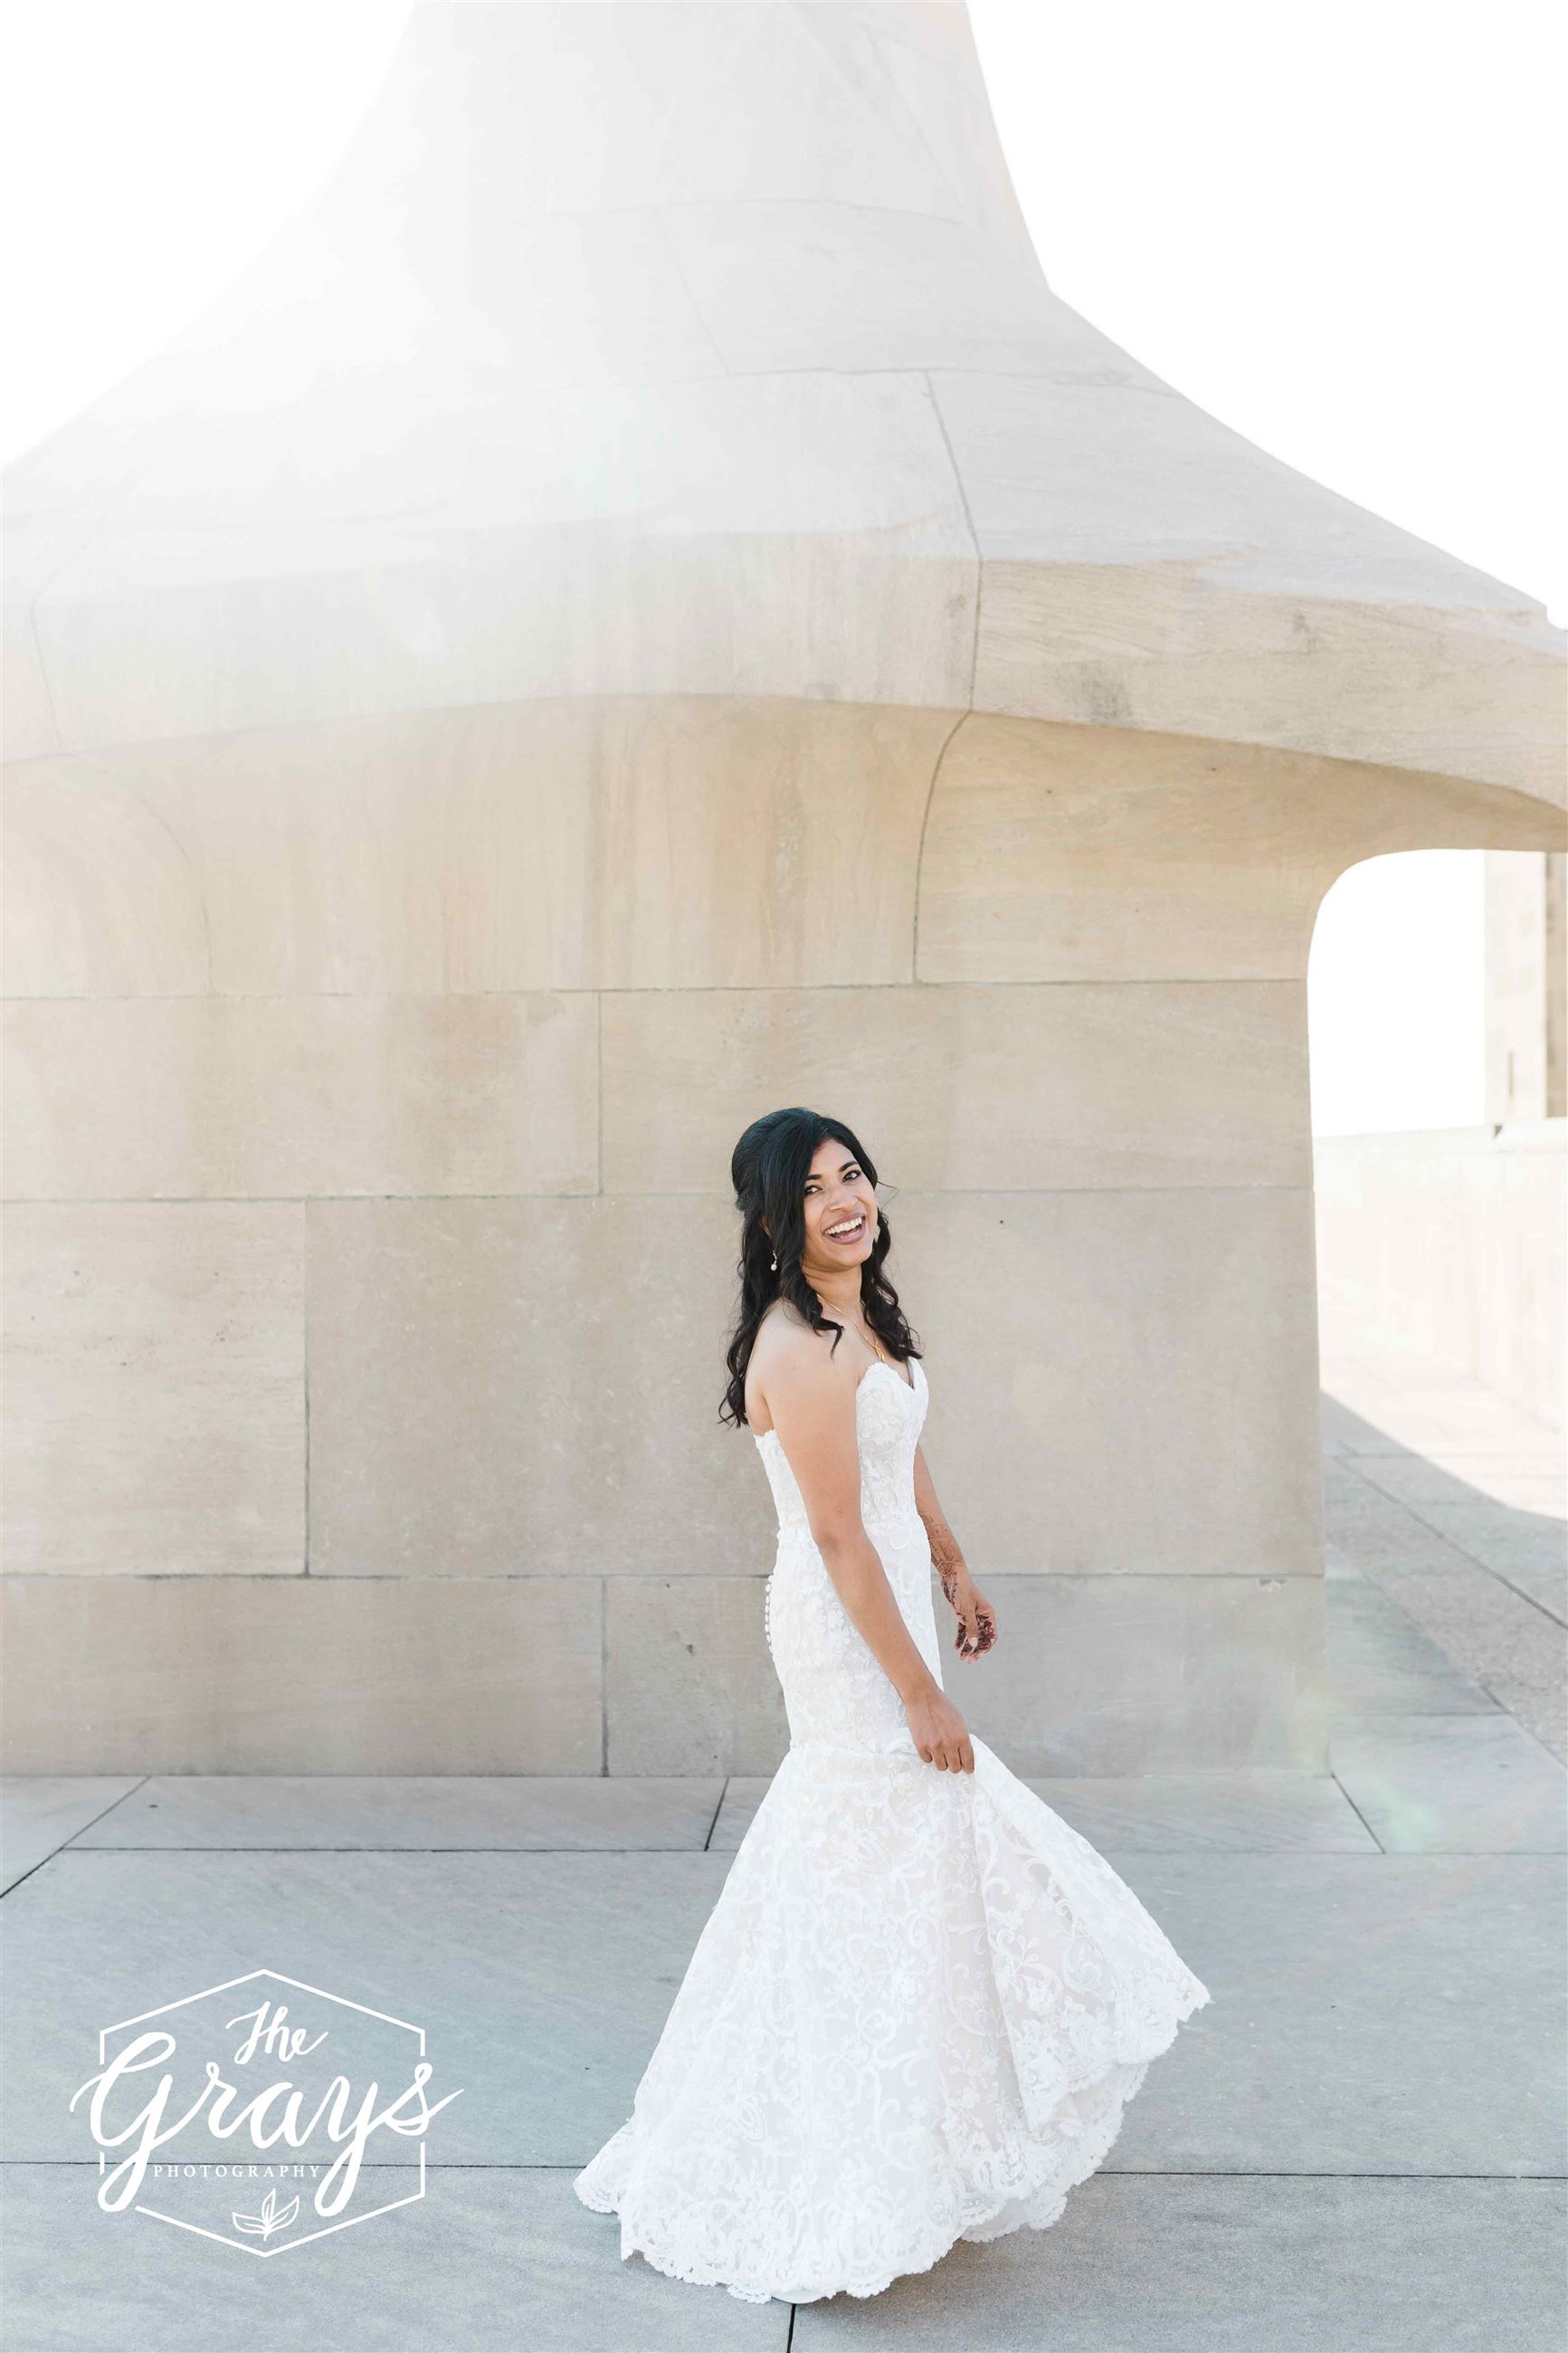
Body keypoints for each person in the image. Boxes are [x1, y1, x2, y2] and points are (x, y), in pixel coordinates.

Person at [575, 1106, 1210, 2305]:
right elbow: (827, 1533)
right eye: (814, 1186)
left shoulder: (860, 1315)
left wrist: (952, 1560)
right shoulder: (795, 1345)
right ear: (774, 1215)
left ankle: (912, 2131)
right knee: (898, 1849)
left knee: (896, 1866)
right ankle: (840, 2154)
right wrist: (918, 1693)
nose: (844, 1198)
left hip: (891, 1603)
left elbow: (893, 1453)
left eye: (853, 1173)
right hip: (842, 1630)